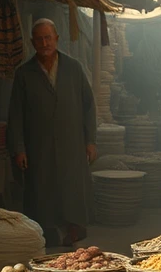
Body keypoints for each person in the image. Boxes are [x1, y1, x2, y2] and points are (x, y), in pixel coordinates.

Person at [7, 18, 97, 247]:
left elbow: (89, 106)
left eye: (48, 37)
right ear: (32, 42)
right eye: (39, 39)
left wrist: (91, 141)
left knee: (71, 187)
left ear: (56, 38)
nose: (44, 42)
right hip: (39, 144)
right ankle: (48, 235)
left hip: (72, 141)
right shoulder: (24, 73)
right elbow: (15, 114)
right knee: (42, 189)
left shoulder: (73, 68)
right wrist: (19, 148)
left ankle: (73, 230)